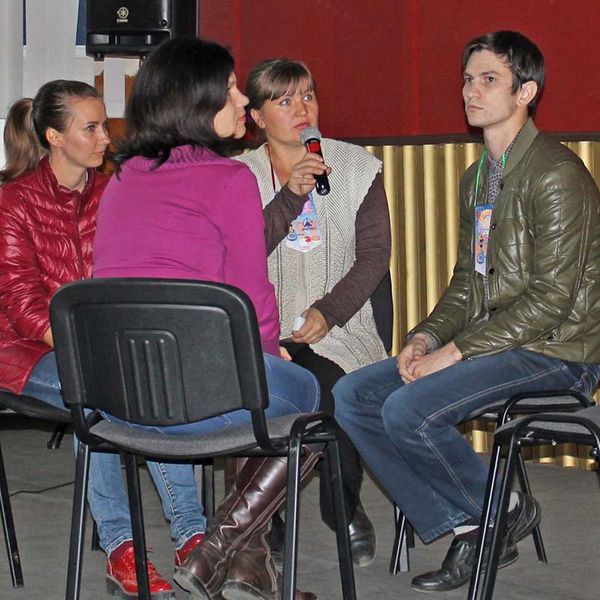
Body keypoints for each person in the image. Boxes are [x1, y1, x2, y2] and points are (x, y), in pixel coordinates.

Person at [334, 30, 600, 593]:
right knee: (352, 395)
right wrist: (426, 339)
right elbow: (467, 283)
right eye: (467, 79)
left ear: (525, 91)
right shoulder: (477, 178)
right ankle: (483, 519)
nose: (470, 92)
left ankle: (487, 520)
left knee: (408, 409)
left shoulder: (557, 175)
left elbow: (552, 301)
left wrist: (454, 352)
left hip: (559, 352)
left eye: (489, 80)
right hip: (496, 344)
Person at [92, 37, 320, 600]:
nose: (242, 99)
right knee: (310, 401)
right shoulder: (230, 179)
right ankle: (221, 550)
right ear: (196, 99)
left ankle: (243, 567)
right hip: (201, 399)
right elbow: (252, 297)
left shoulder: (121, 179)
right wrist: (268, 356)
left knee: (271, 386)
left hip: (116, 398)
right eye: (231, 88)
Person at [0, 81, 214, 600]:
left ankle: (193, 539)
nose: (105, 139)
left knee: (145, 383)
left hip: (105, 347)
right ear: (54, 136)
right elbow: (24, 308)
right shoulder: (13, 202)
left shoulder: (115, 190)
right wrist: (93, 351)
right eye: (91, 128)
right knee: (98, 392)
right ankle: (123, 548)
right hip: (26, 351)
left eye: (105, 126)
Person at [236, 58, 391, 567]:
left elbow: (375, 257)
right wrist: (290, 195)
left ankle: (340, 503)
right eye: (284, 100)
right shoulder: (238, 176)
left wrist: (328, 312)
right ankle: (266, 520)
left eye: (308, 95)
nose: (301, 108)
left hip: (339, 328)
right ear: (257, 116)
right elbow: (239, 253)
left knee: (335, 391)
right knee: (253, 391)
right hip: (262, 328)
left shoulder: (356, 167)